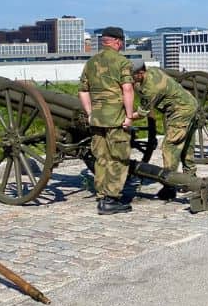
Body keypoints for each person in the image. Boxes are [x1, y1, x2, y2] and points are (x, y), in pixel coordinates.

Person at [79, 26, 135, 215]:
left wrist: (89, 113)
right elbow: (127, 89)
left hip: (97, 118)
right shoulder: (122, 62)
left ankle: (102, 196)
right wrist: (128, 116)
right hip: (116, 119)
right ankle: (111, 200)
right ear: (118, 42)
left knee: (101, 158)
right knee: (118, 158)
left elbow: (83, 90)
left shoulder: (91, 63)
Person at [132, 60, 198, 179]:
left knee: (170, 146)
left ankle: (170, 183)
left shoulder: (151, 88)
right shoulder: (153, 71)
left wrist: (125, 118)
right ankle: (190, 176)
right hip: (190, 105)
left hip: (180, 111)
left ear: (140, 73)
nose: (129, 78)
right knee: (187, 144)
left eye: (131, 75)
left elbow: (142, 114)